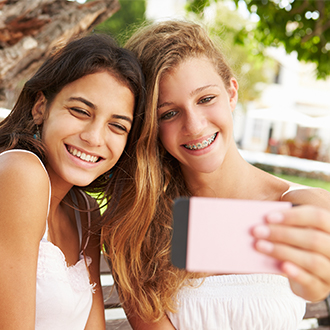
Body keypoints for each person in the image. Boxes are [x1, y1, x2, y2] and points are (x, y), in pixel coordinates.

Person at [101, 20, 330, 330]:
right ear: (151, 126)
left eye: (206, 99)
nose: (194, 126)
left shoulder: (303, 205)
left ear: (231, 93)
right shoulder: (138, 223)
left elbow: (316, 285)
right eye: (169, 113)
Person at [0, 33, 145, 329]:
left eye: (117, 126)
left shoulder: (86, 213)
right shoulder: (20, 172)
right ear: (41, 107)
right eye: (80, 111)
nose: (94, 138)